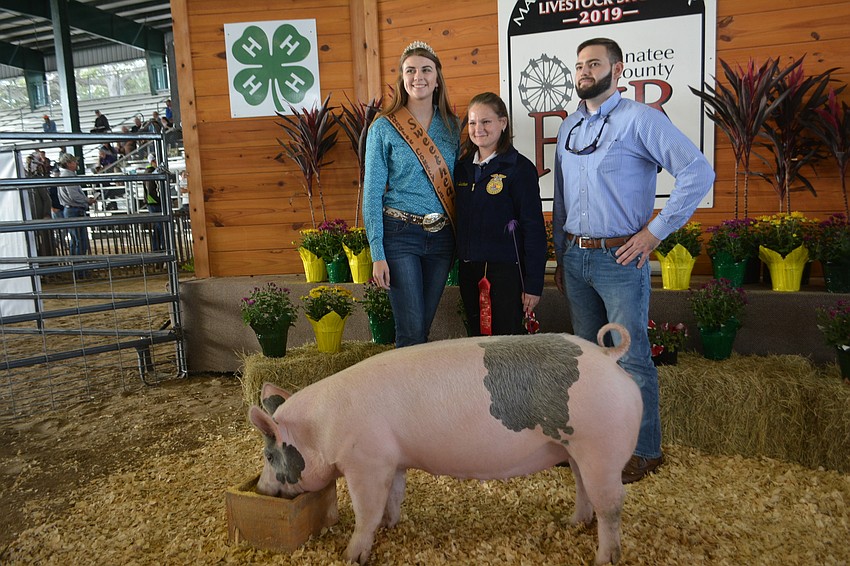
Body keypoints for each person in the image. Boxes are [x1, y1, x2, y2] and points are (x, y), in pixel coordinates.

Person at [552, 37, 715, 484]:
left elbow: (698, 171)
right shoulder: (568, 127)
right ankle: (596, 444)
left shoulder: (641, 120)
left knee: (630, 358)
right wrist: (560, 252)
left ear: (618, 69)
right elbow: (563, 200)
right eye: (580, 64)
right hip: (576, 257)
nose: (584, 71)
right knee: (589, 358)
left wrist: (654, 234)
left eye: (594, 63)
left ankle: (645, 450)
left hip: (621, 259)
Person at [363, 40, 461, 347]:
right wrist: (377, 253)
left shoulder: (454, 127)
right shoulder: (384, 127)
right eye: (411, 70)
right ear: (402, 79)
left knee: (422, 328)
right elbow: (372, 191)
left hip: (442, 238)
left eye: (426, 70)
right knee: (410, 331)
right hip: (400, 234)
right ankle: (404, 396)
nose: (418, 76)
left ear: (437, 78)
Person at [454, 92, 546, 336]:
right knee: (476, 340)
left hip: (506, 273)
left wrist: (534, 284)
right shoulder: (462, 169)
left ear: (503, 123)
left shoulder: (519, 168)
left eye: (486, 121)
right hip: (469, 271)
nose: (478, 129)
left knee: (506, 346)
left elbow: (533, 228)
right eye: (473, 123)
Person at [57, 154, 96, 256]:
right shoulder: (68, 175)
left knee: (75, 240)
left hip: (70, 210)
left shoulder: (65, 174)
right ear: (68, 163)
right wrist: (87, 200)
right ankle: (80, 269)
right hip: (74, 210)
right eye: (74, 161)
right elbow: (74, 195)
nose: (76, 163)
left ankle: (76, 267)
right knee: (80, 240)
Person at [144, 160, 165, 252]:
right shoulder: (150, 172)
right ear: (153, 161)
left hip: (152, 202)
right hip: (154, 202)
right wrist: (159, 200)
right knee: (161, 227)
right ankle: (163, 248)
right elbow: (151, 190)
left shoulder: (149, 172)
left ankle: (157, 249)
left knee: (157, 227)